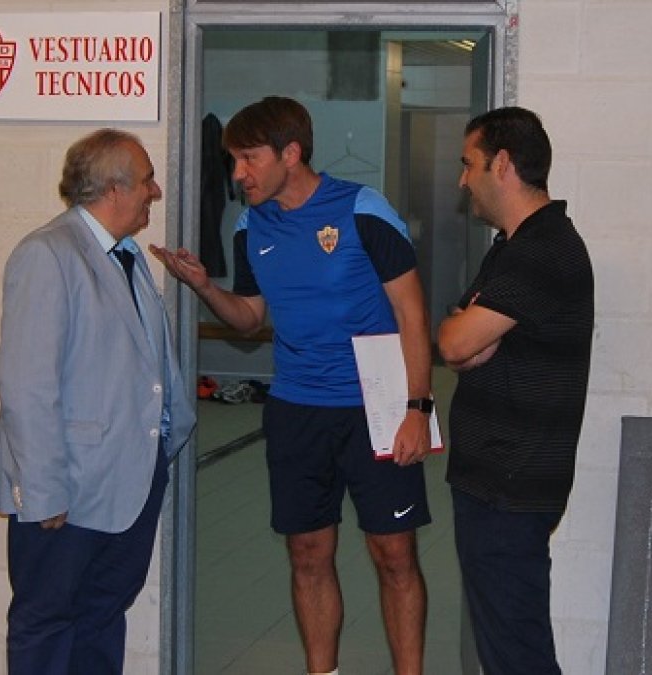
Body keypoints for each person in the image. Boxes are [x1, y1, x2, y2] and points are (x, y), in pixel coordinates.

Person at [150, 96, 433, 675]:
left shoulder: (363, 210)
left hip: (376, 407)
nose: (238, 174)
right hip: (296, 409)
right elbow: (250, 318)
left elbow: (412, 314)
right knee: (307, 553)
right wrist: (205, 287)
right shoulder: (251, 225)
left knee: (394, 555)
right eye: (233, 161)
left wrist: (417, 408)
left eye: (248, 159)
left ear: (291, 153)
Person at [0, 129, 196, 675]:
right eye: (147, 180)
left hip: (128, 483)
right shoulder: (47, 255)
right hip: (67, 491)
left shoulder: (128, 256)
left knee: (101, 618)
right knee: (47, 622)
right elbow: (27, 387)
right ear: (114, 189)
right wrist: (43, 491)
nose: (155, 191)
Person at [437, 107, 594, 674]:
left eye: (469, 164)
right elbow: (458, 334)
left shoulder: (542, 250)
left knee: (517, 657)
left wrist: (469, 334)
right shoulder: (512, 246)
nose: (463, 181)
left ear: (501, 164)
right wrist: (468, 334)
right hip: (495, 484)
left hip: (510, 485)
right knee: (506, 651)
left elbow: (455, 342)